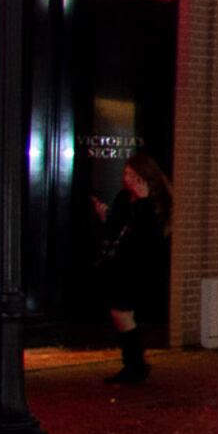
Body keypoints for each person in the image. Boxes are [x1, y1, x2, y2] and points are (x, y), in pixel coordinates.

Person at [96, 153, 171, 384]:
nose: (127, 178)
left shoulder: (154, 203)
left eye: (132, 174)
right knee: (120, 312)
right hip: (122, 264)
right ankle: (133, 363)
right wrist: (104, 217)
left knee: (122, 312)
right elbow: (115, 229)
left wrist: (144, 203)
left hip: (140, 266)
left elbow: (151, 237)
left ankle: (135, 364)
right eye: (125, 173)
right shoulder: (123, 199)